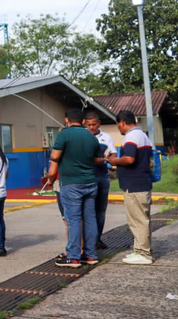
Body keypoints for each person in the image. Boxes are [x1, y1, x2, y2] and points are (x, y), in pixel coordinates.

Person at [48, 108, 103, 268]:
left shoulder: (64, 134)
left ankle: (73, 257)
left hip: (71, 183)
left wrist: (51, 177)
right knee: (90, 219)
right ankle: (90, 255)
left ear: (67, 120)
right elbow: (95, 159)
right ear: (84, 121)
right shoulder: (92, 137)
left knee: (73, 219)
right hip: (91, 182)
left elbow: (55, 157)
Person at [108, 109, 155, 265]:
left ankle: (144, 254)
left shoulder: (131, 136)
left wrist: (114, 160)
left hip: (135, 185)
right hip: (141, 182)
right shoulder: (142, 135)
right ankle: (139, 250)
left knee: (138, 219)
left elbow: (129, 159)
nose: (119, 128)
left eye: (118, 125)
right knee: (139, 218)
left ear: (122, 122)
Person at [85, 110, 117, 249]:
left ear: (99, 123)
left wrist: (105, 159)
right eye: (89, 124)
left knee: (101, 209)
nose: (92, 127)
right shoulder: (83, 137)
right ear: (84, 124)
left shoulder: (107, 137)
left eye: (94, 124)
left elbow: (113, 155)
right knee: (88, 209)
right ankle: (87, 240)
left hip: (102, 176)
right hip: (87, 177)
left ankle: (97, 238)